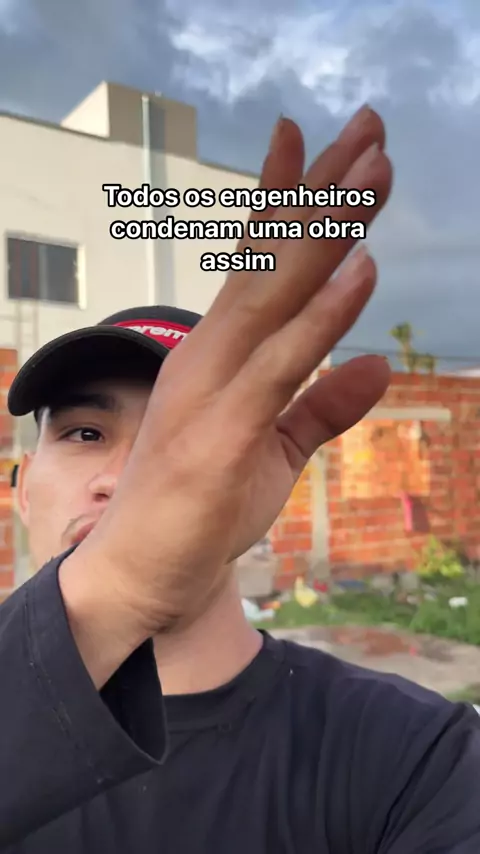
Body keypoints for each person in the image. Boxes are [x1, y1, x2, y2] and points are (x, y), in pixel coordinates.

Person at [0, 105, 479, 853]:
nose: (131, 481)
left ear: (262, 488)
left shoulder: (418, 757)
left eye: (176, 443)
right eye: (86, 434)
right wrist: (115, 590)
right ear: (22, 486)